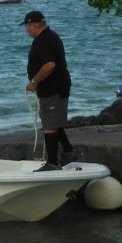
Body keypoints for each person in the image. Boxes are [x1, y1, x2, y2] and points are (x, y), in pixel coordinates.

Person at [20, 11, 75, 171]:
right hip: (55, 86)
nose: (27, 30)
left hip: (53, 87)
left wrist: (34, 81)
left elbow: (50, 65)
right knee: (53, 121)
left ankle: (52, 163)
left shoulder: (44, 40)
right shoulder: (49, 37)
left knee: (50, 125)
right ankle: (68, 151)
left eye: (27, 26)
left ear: (34, 24)